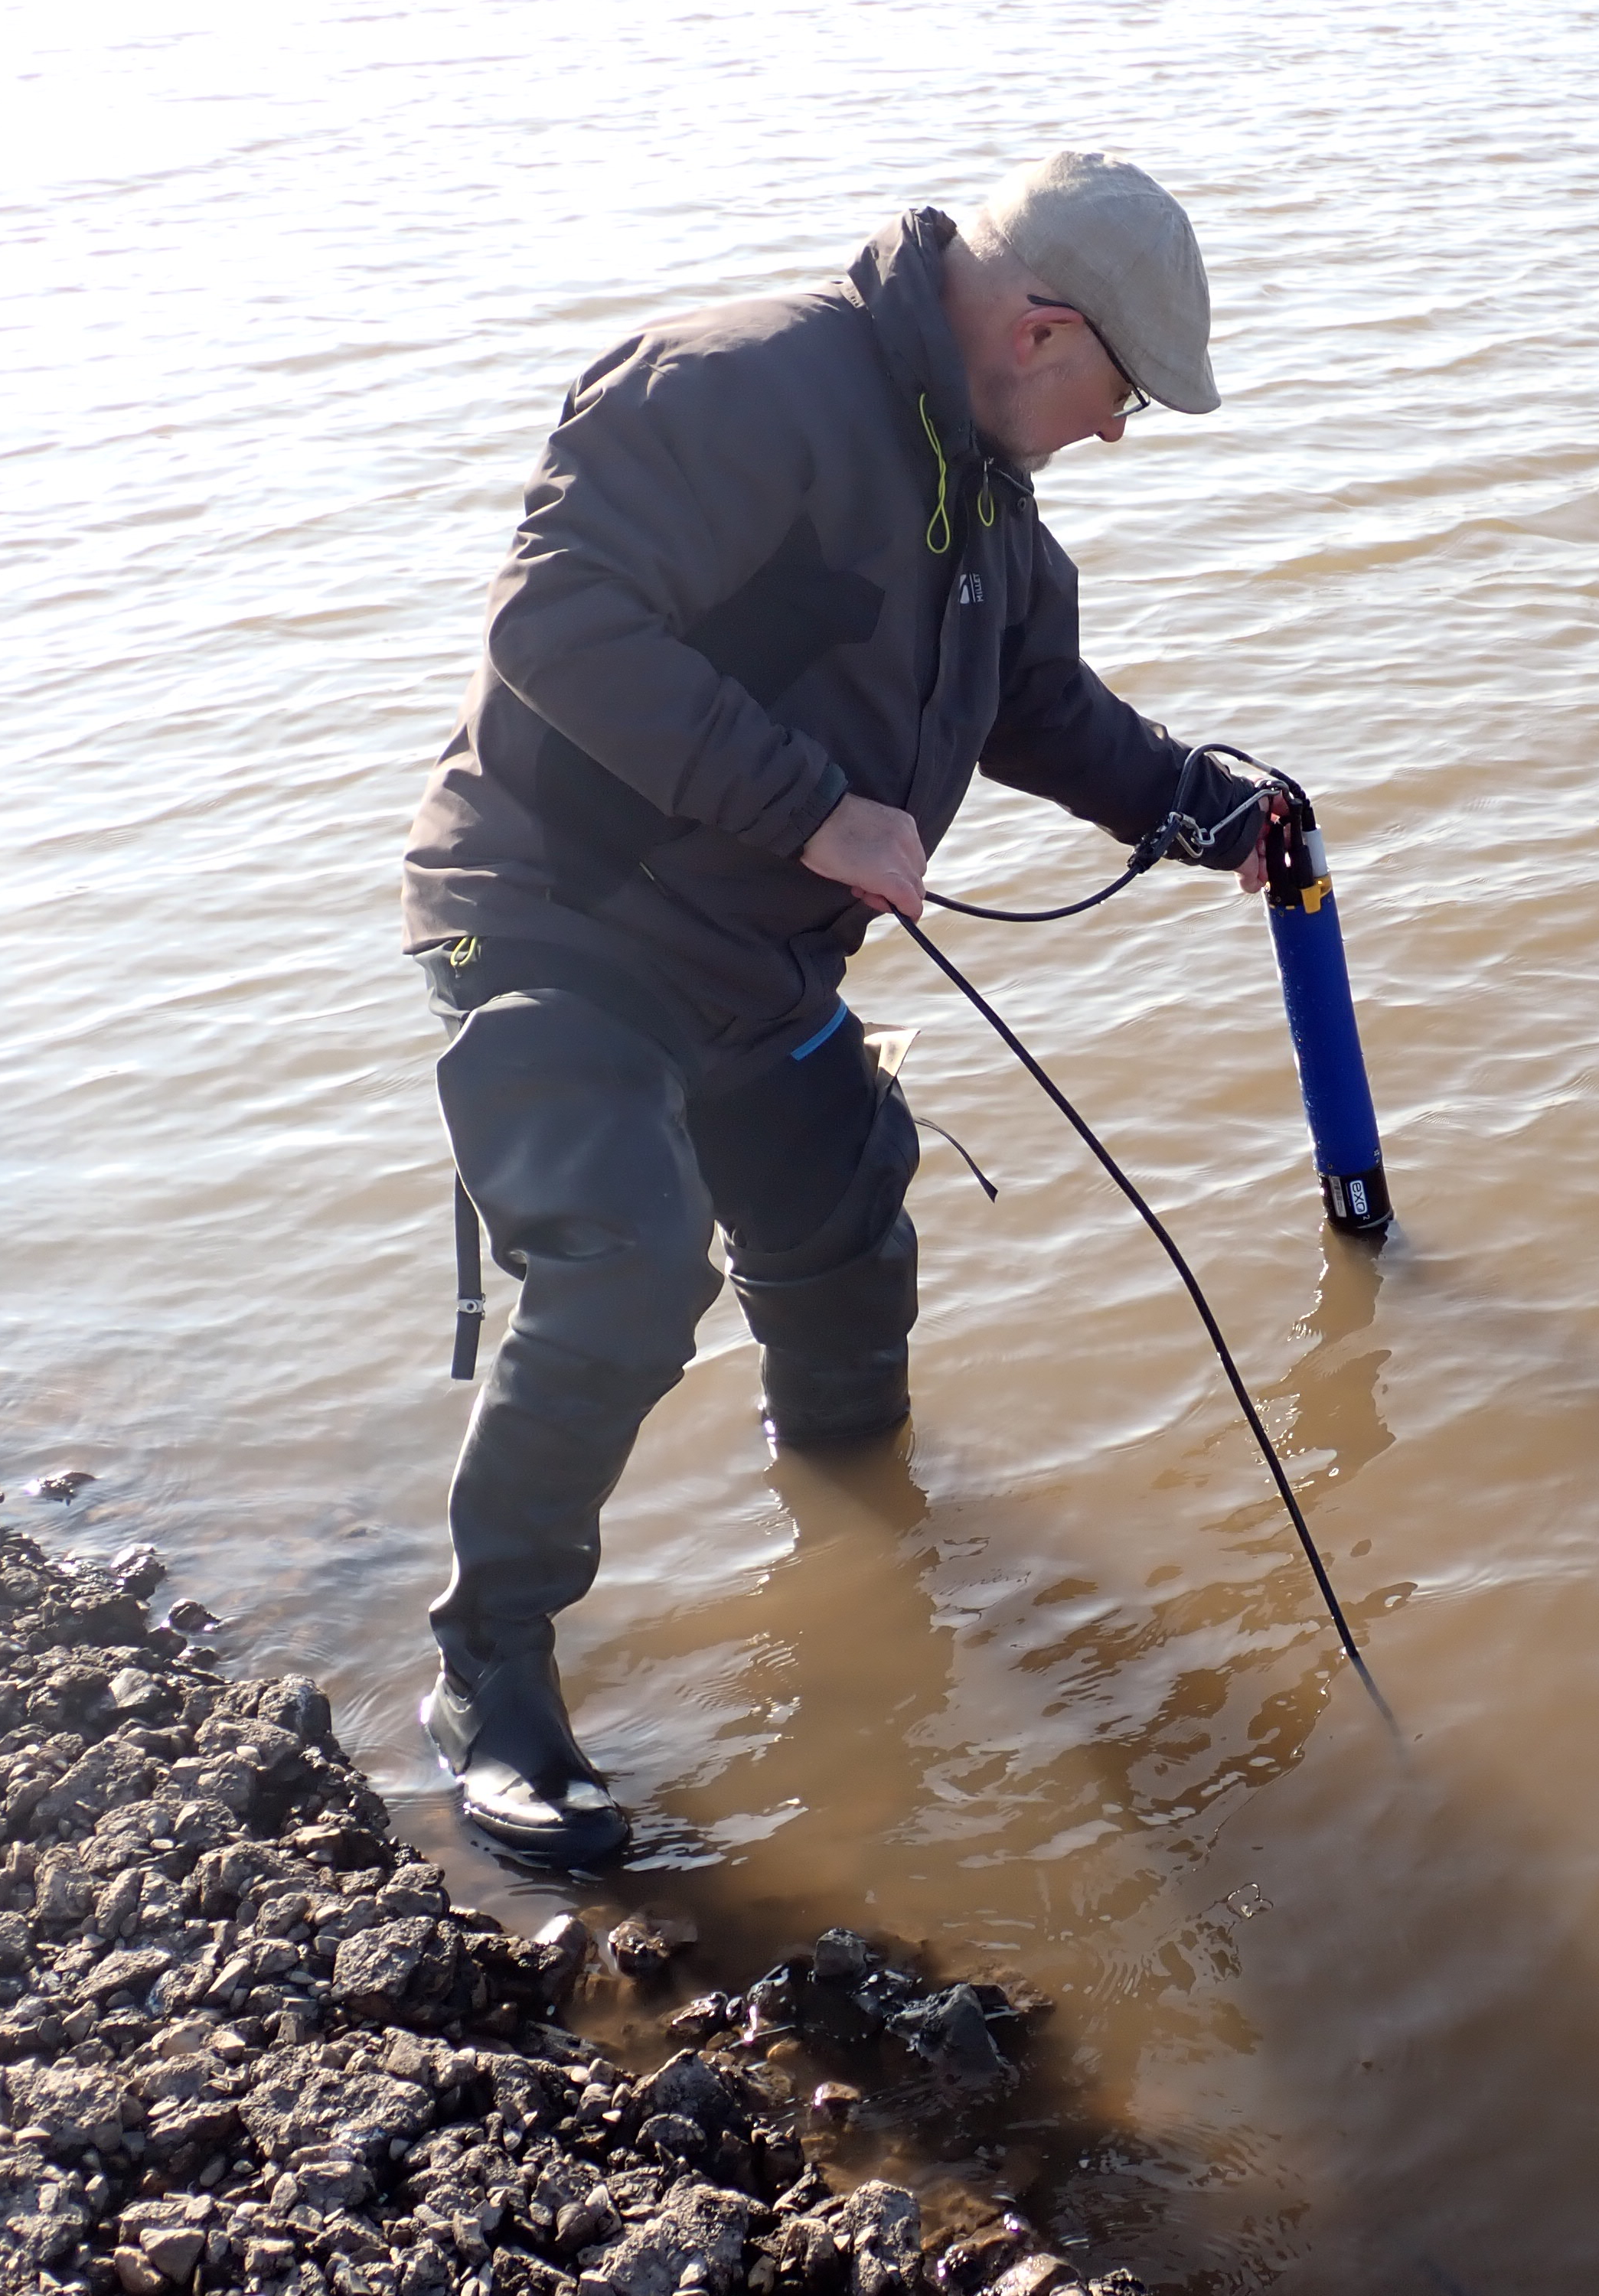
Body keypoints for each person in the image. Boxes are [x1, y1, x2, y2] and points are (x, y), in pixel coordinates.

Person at [399, 152, 1274, 1867]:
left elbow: (1038, 707)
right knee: (629, 1263)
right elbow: (554, 622)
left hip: (761, 959)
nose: (1114, 434)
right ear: (1040, 331)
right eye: (1120, 395)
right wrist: (815, 811)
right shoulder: (735, 386)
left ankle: (861, 1547)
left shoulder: (985, 490)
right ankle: (486, 1666)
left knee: (847, 1234)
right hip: (555, 924)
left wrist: (1207, 809)